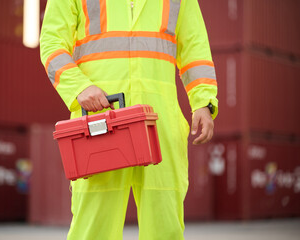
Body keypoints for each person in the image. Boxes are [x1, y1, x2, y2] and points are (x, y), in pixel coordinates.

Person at [40, 0, 218, 239]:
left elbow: (195, 47)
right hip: (99, 123)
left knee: (164, 228)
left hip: (159, 122)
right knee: (94, 228)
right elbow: (51, 43)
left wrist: (203, 101)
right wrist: (79, 88)